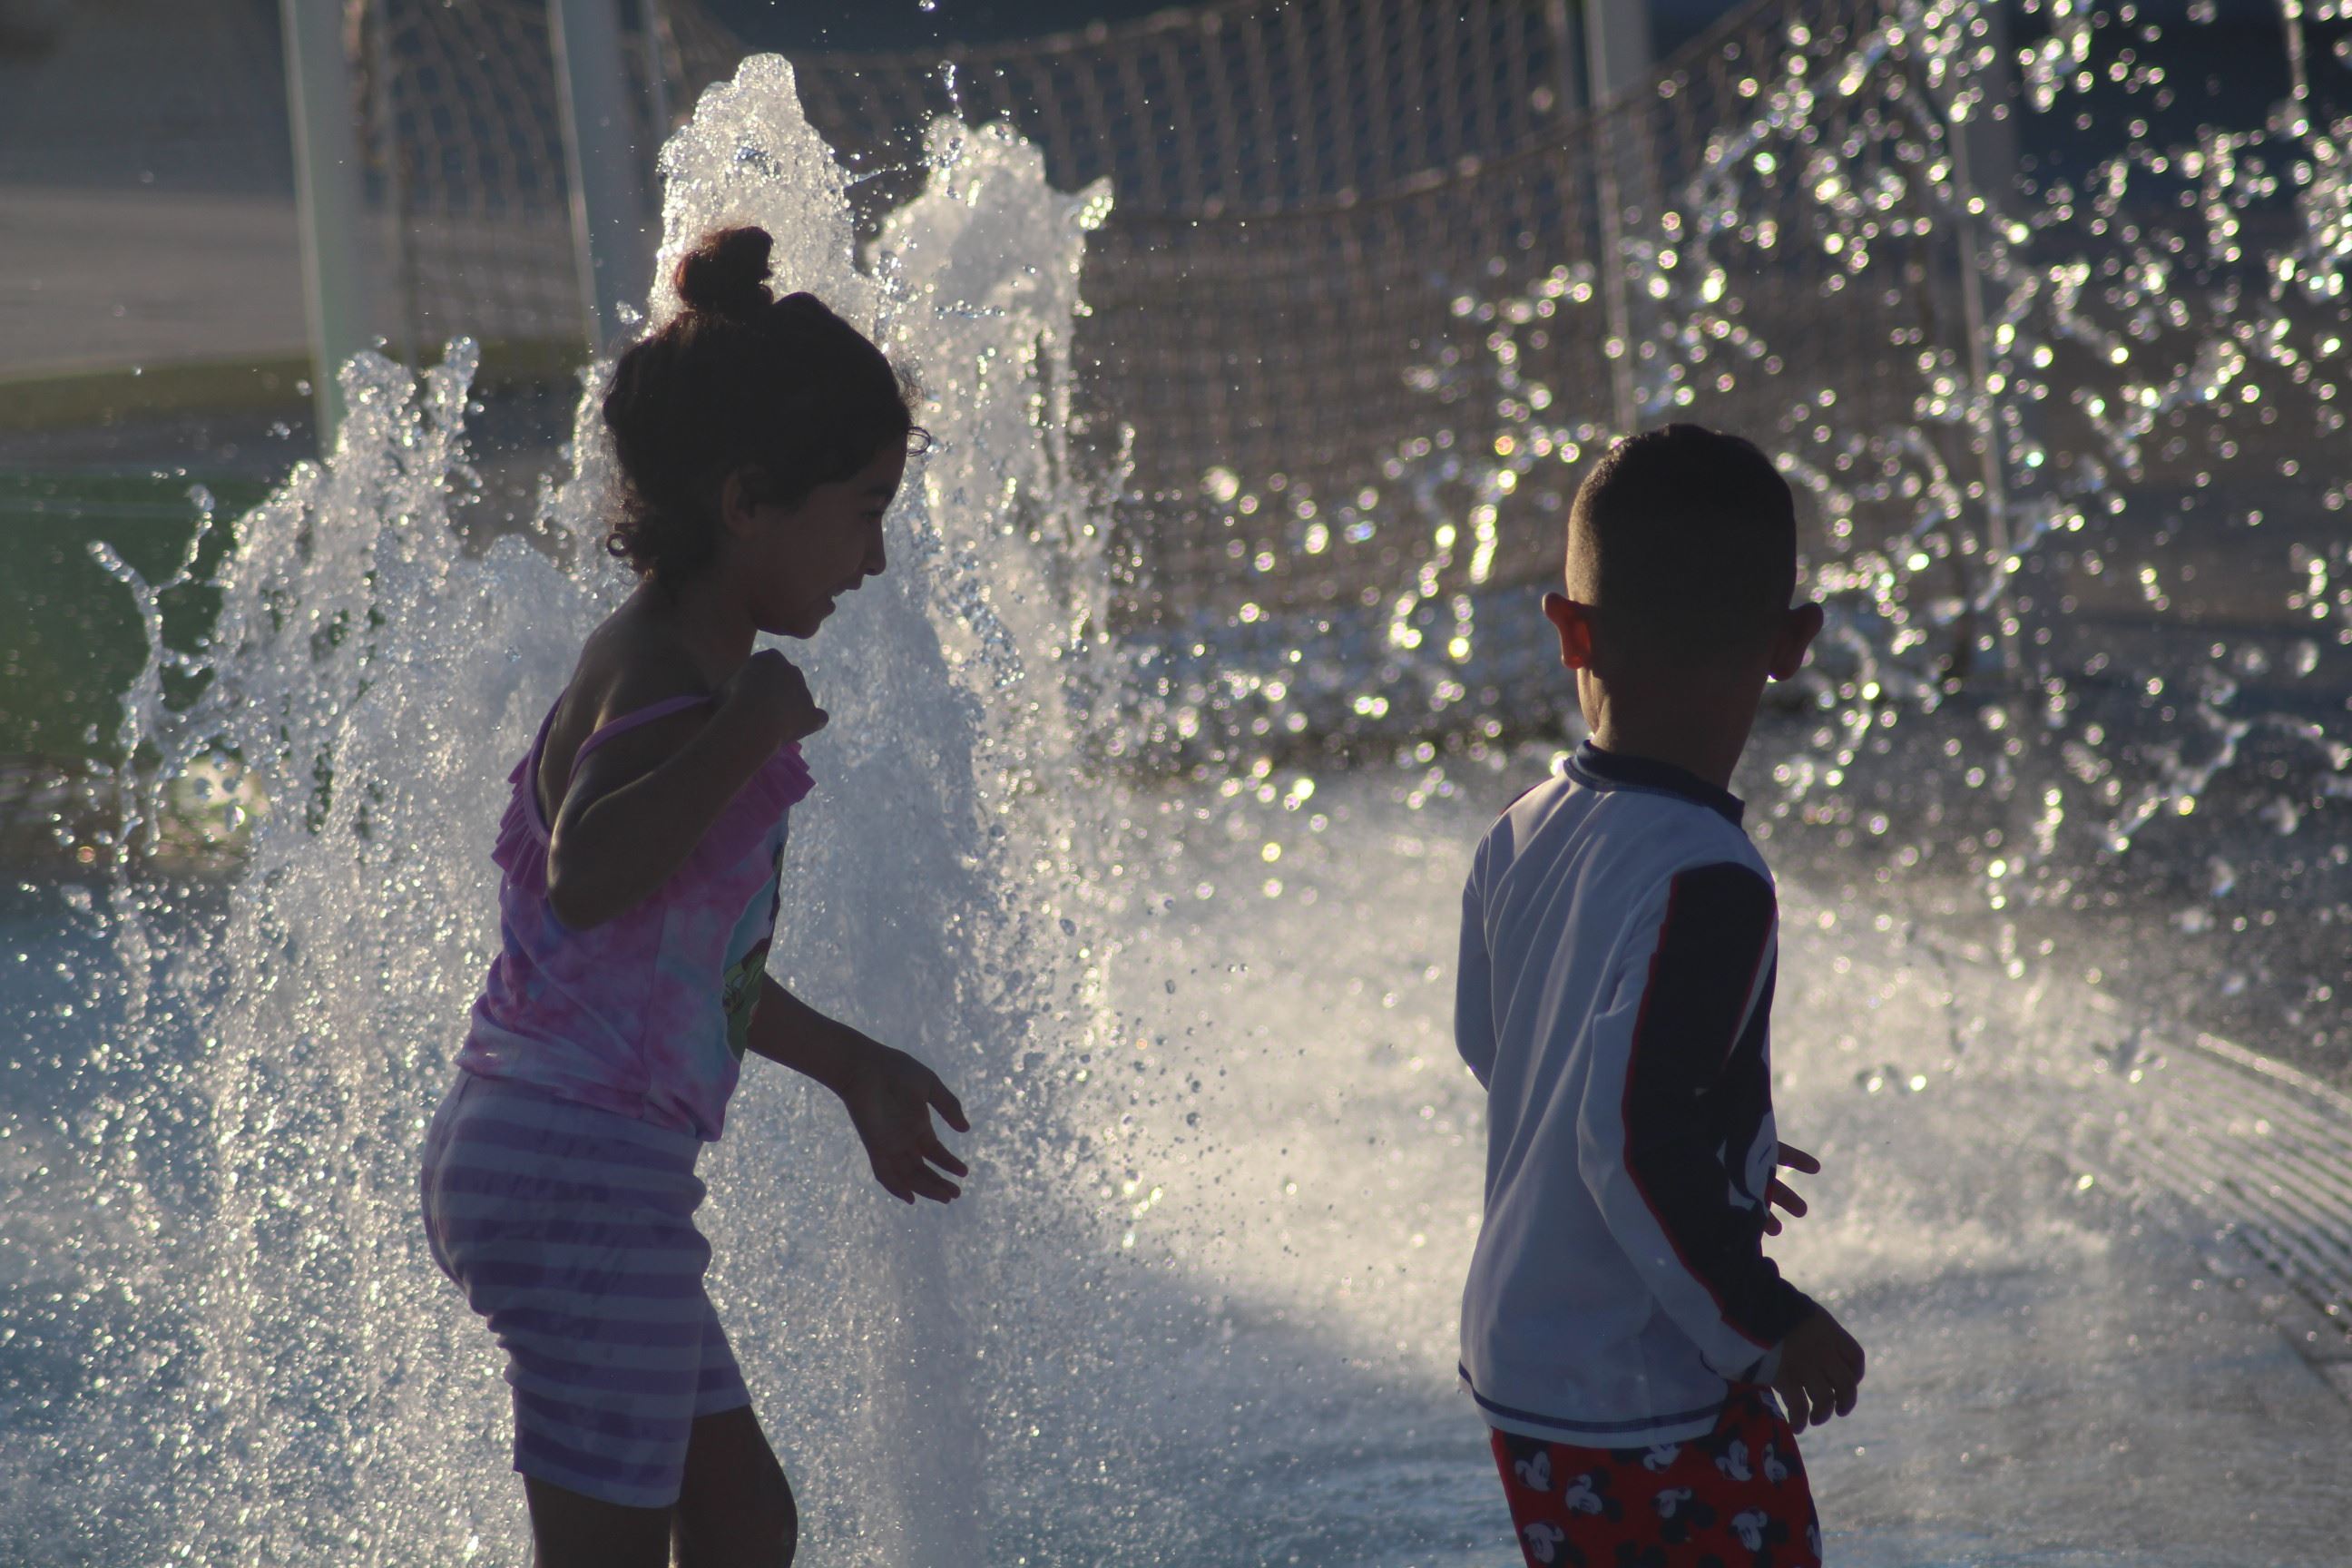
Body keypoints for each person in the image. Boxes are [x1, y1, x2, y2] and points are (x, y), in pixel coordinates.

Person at [419, 226, 971, 1568]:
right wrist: (746, 737)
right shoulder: (672, 682)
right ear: (747, 503)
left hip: (570, 1161)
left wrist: (849, 1063)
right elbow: (591, 872)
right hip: (576, 1172)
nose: (876, 561)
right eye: (861, 512)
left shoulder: (682, 667)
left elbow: (678, 965)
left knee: (742, 1523)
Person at [1453, 425, 1865, 1568]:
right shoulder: (1711, 877)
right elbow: (1627, 1133)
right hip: (1640, 1378)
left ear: (1569, 630)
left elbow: (1504, 1047)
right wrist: (1766, 1320)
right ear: (1792, 643)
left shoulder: (1520, 829)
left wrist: (1706, 1135)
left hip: (1528, 1362)